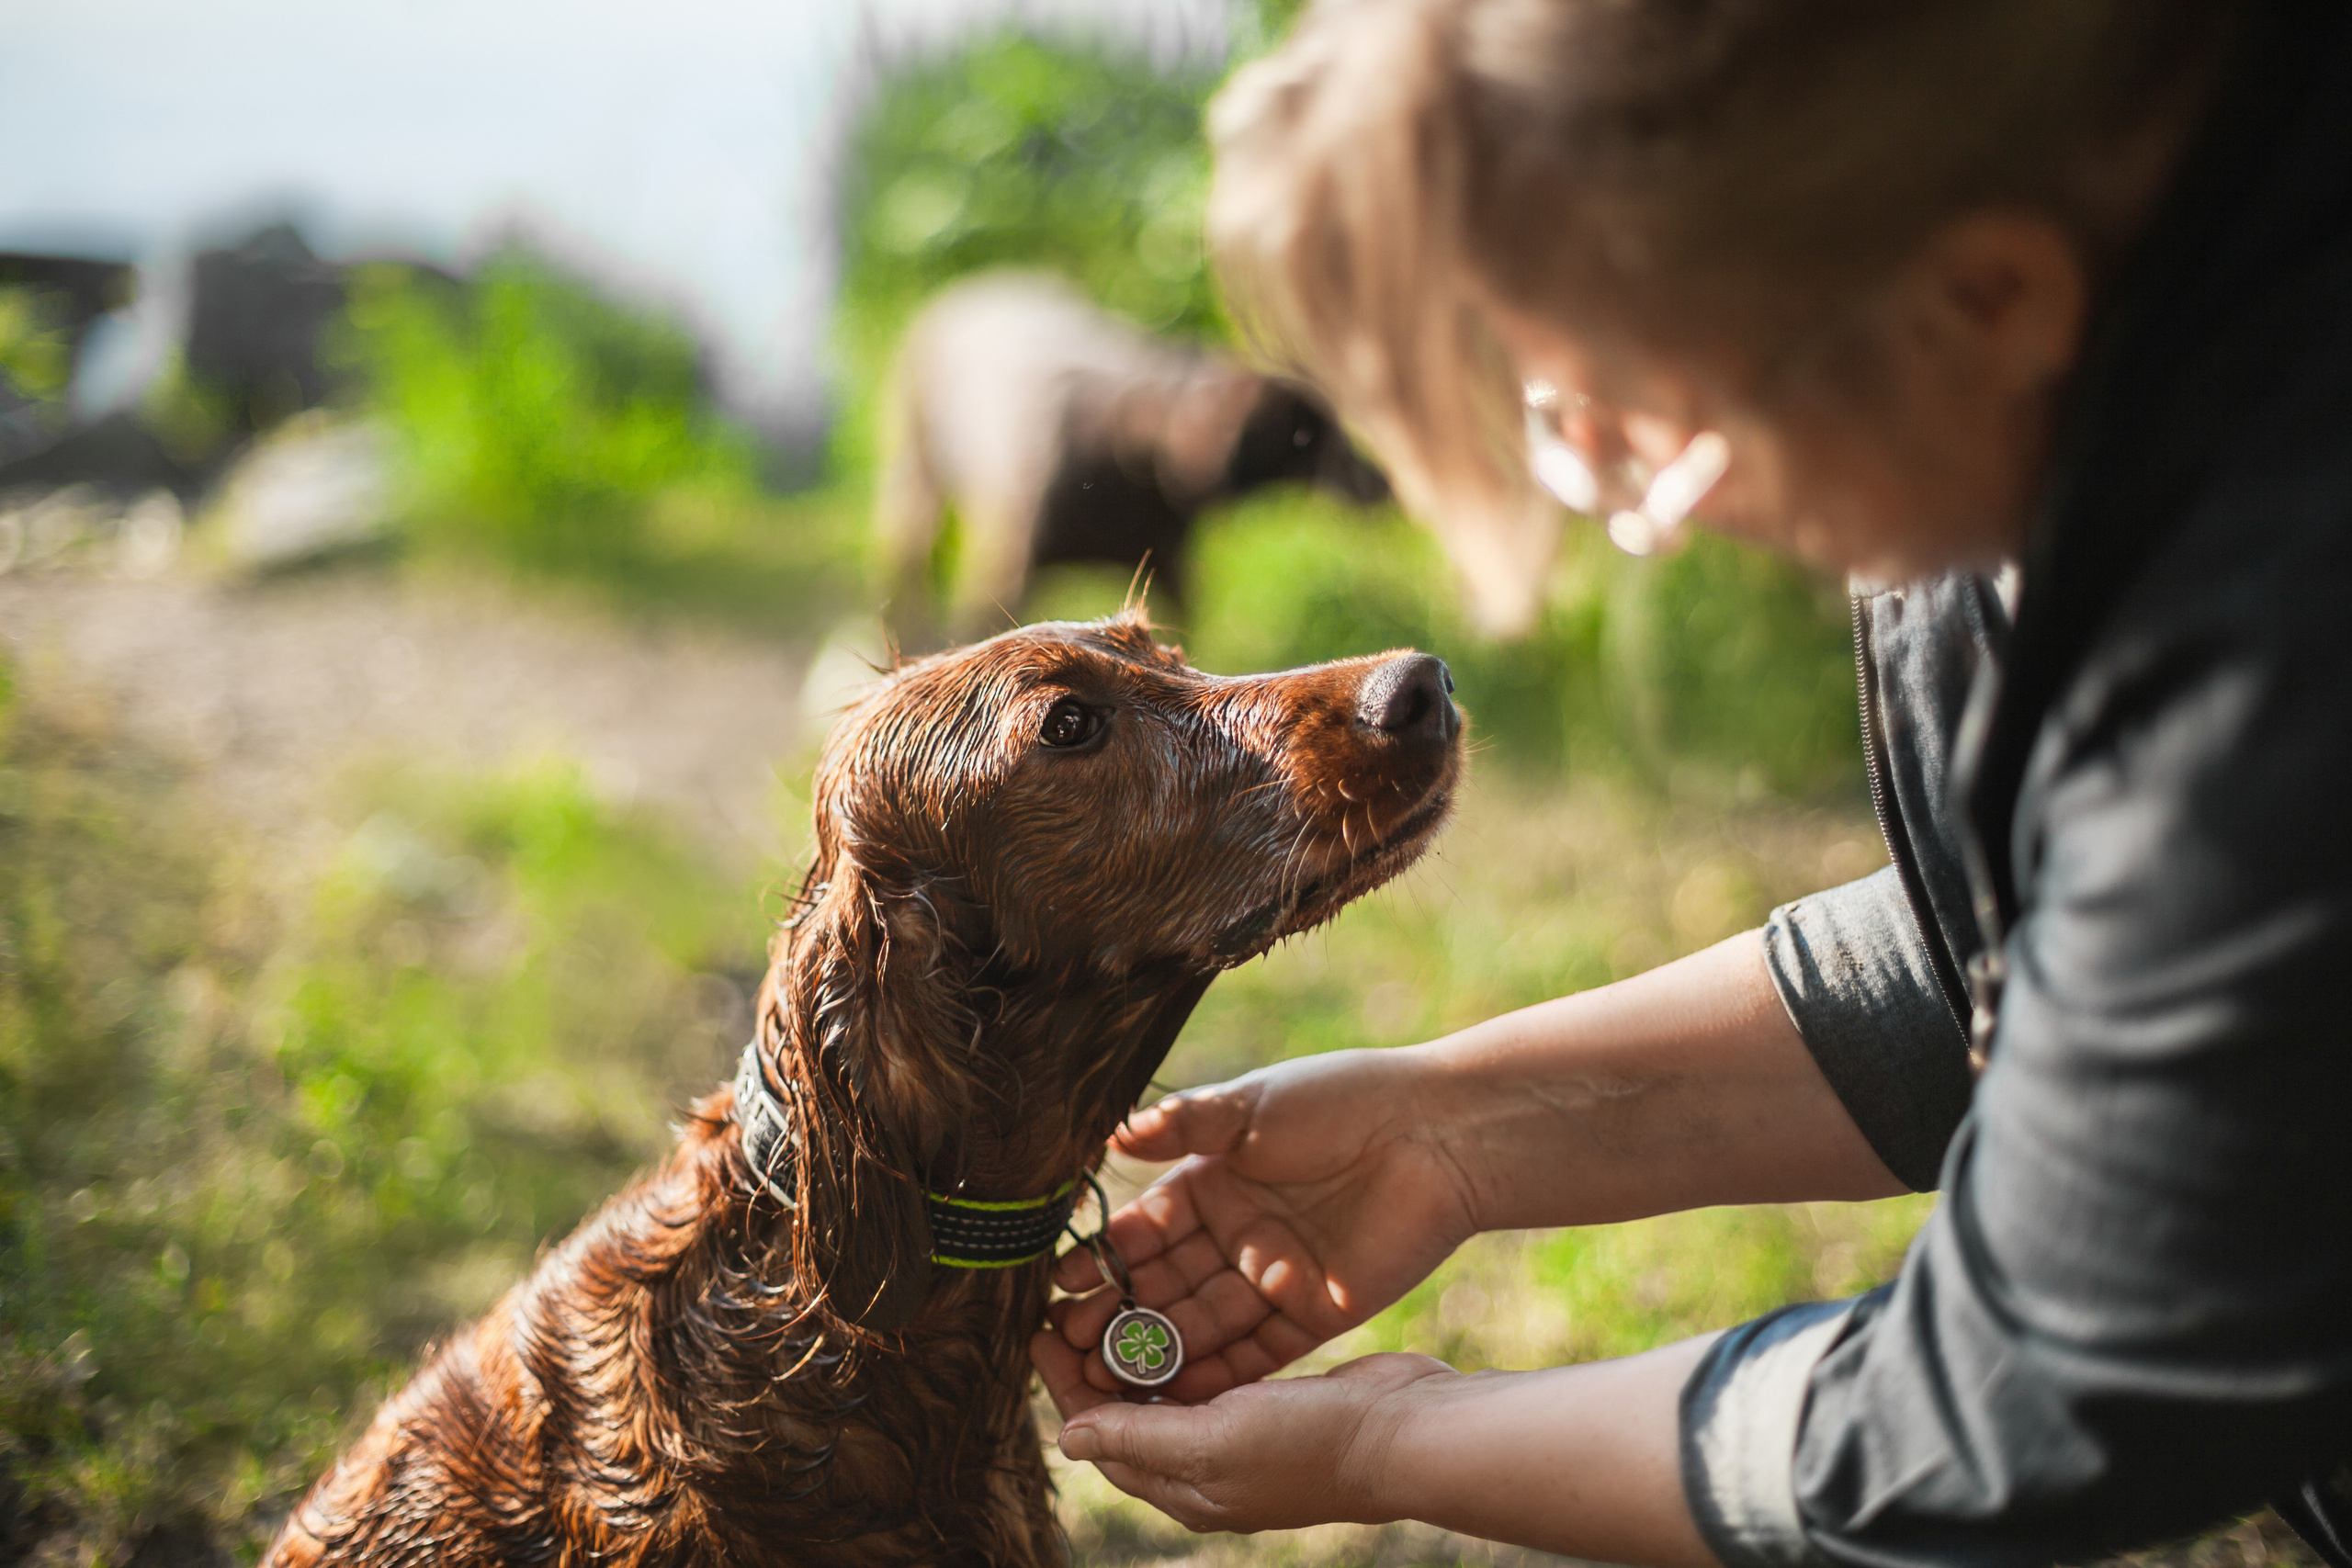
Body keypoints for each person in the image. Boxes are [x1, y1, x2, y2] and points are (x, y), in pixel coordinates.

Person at [1026, 3, 2352, 1566]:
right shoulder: (2124, 336)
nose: (1635, 514)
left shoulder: (2278, 622)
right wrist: (1457, 1132)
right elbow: (2071, 971)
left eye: (1651, 419)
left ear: (1984, 300)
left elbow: (2040, 1391)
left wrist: (1405, 1437)